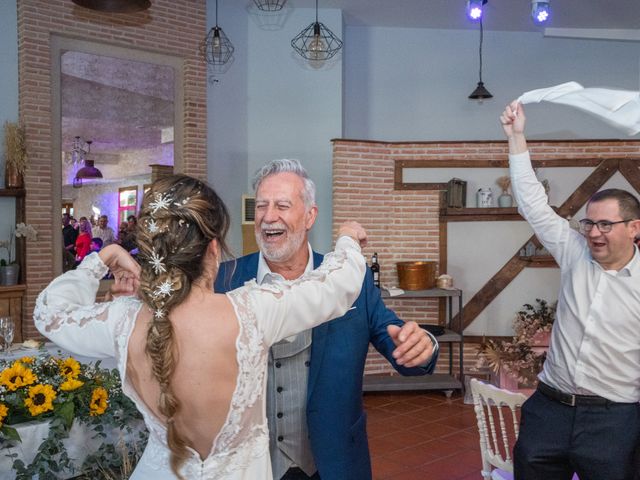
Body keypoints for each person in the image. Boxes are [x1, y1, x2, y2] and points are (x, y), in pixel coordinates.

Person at [34, 174, 367, 480]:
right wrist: (348, 239)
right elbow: (337, 284)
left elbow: (50, 313)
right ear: (213, 249)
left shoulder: (121, 321)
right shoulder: (254, 312)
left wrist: (103, 257)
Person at [215, 159, 439, 480]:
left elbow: (400, 349)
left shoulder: (352, 281)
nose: (268, 217)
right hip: (250, 466)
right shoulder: (225, 279)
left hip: (332, 462)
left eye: (282, 205)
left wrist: (423, 347)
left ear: (310, 216)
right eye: (261, 206)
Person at [500, 101, 640, 480]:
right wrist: (516, 138)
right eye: (589, 223)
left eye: (606, 225)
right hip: (550, 410)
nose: (594, 232)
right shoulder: (574, 251)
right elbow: (534, 206)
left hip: (615, 421)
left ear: (634, 228)